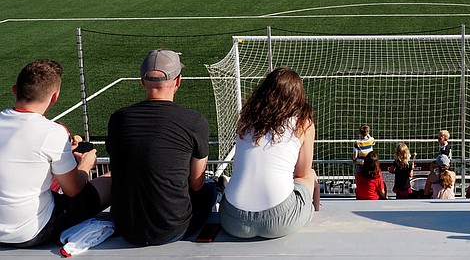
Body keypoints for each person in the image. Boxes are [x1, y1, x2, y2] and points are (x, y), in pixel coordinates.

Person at [107, 49, 215, 245]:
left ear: (142, 82)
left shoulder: (118, 119)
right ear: (178, 81)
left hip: (125, 227)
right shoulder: (195, 121)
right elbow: (196, 184)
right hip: (171, 230)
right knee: (210, 188)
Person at [0, 60, 111, 247]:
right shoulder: (52, 132)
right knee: (112, 180)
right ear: (55, 96)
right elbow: (73, 189)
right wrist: (85, 164)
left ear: (14, 90)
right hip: (29, 232)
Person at [219, 67, 320, 239]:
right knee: (310, 175)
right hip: (280, 221)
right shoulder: (303, 123)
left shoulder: (245, 119)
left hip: (232, 219)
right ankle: (313, 210)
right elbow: (301, 173)